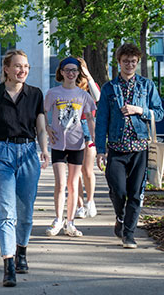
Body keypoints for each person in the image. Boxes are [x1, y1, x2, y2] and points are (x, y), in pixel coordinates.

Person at [0, 49, 50, 287]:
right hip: (2, 155)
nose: (23, 70)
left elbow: (40, 128)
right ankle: (8, 265)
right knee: (7, 213)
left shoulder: (35, 94)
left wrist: (44, 150)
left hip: (28, 153)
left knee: (25, 214)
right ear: (6, 69)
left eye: (26, 66)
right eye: (18, 66)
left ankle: (22, 252)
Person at [95, 43, 163, 249]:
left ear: (138, 62)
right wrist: (100, 150)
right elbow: (101, 121)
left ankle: (129, 234)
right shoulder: (109, 88)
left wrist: (139, 110)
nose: (130, 64)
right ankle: (120, 216)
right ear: (119, 62)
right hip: (116, 148)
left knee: (135, 192)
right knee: (118, 190)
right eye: (126, 61)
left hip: (140, 148)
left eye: (133, 61)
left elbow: (158, 113)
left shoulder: (147, 86)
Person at [44, 57, 96, 237]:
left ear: (78, 73)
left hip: (77, 143)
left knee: (73, 185)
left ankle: (71, 222)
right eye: (67, 70)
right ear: (61, 72)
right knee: (60, 183)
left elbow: (89, 117)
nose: (71, 73)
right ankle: (58, 219)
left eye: (74, 70)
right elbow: (44, 112)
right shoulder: (53, 93)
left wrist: (94, 138)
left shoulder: (83, 95)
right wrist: (47, 128)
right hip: (58, 143)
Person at [74, 57, 101, 219]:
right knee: (75, 171)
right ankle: (79, 205)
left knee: (87, 170)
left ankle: (90, 201)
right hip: (71, 129)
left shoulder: (90, 87)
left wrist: (88, 75)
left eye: (78, 69)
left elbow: (98, 97)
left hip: (88, 127)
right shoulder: (68, 86)